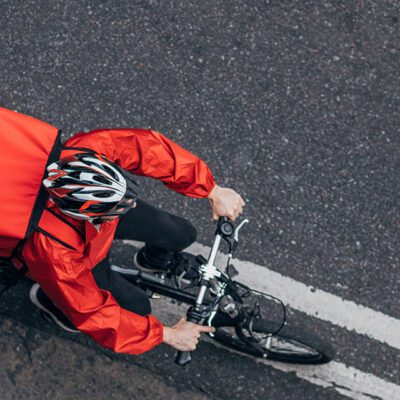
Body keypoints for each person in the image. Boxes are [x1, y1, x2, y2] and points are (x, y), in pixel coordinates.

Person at [16, 128, 245, 355]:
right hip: (80, 258)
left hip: (98, 223)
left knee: (182, 233)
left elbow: (144, 148)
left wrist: (211, 189)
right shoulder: (53, 252)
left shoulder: (86, 150)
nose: (133, 204)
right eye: (120, 205)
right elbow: (91, 312)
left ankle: (153, 260)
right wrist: (166, 335)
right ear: (87, 214)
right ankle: (52, 302)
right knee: (137, 307)